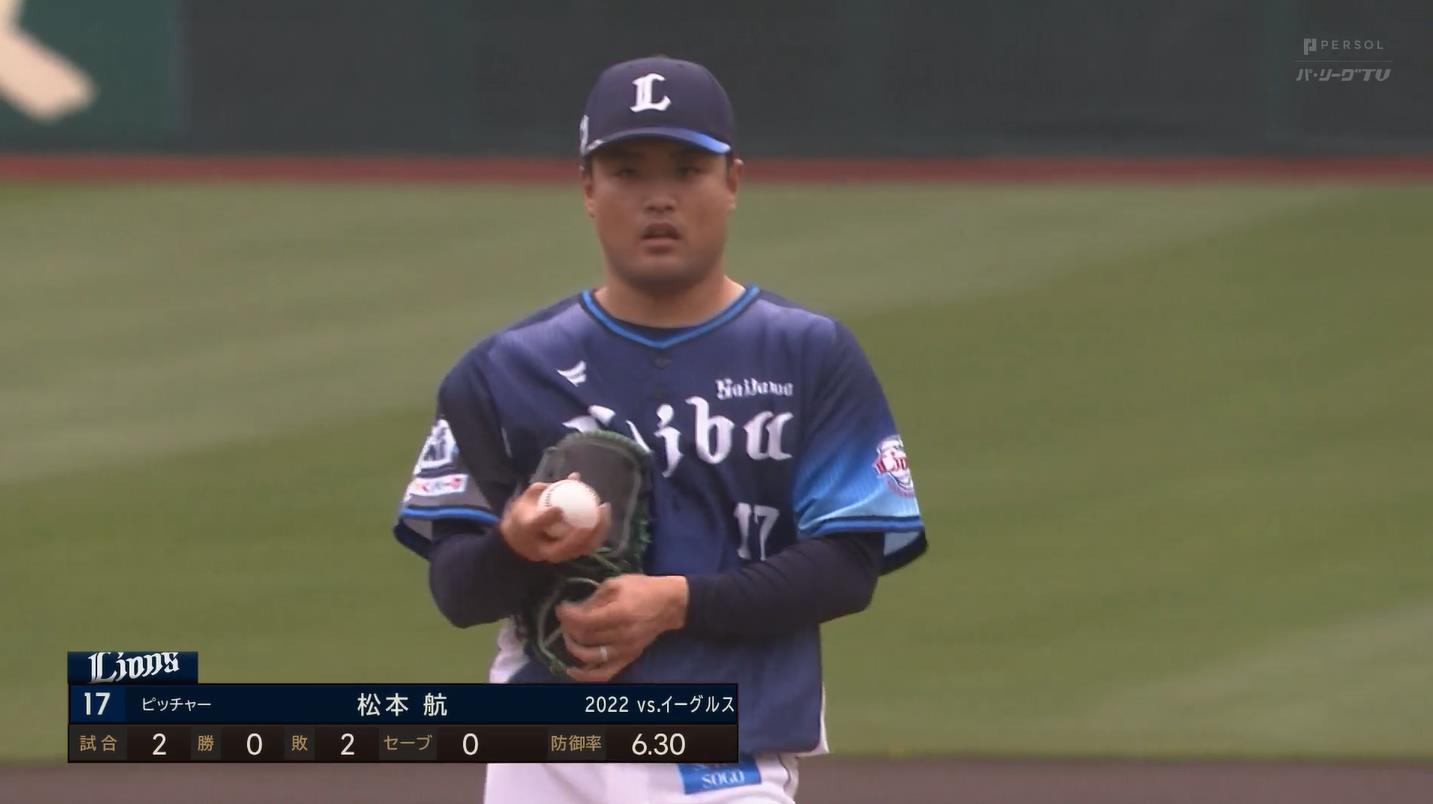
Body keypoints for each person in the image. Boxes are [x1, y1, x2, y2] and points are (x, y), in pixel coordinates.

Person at [392, 55, 927, 803]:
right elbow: (456, 590)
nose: (659, 198)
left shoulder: (807, 355)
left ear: (732, 181)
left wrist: (677, 602)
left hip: (720, 757)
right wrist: (513, 545)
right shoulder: (504, 370)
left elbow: (848, 566)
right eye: (627, 172)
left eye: (686, 169)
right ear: (588, 188)